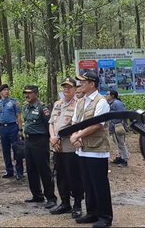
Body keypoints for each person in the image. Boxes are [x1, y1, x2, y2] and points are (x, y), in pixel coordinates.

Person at [70, 71, 113, 227]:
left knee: (99, 183)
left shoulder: (101, 102)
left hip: (96, 150)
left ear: (92, 84)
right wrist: (75, 136)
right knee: (87, 183)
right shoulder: (81, 102)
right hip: (82, 150)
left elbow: (97, 125)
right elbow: (75, 123)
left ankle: (105, 217)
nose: (80, 85)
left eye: (83, 82)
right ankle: (92, 212)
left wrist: (77, 136)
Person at [48, 78, 84, 218]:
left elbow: (76, 126)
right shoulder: (58, 104)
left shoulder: (79, 104)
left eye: (69, 87)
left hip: (70, 148)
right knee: (61, 176)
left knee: (74, 177)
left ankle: (77, 205)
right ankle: (65, 203)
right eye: (64, 87)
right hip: (57, 148)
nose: (66, 90)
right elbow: (51, 122)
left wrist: (58, 137)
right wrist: (52, 137)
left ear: (75, 89)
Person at [22, 85, 57, 209]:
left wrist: (50, 140)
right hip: (28, 141)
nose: (27, 95)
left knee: (44, 170)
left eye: (29, 93)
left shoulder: (43, 108)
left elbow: (48, 125)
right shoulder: (26, 107)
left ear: (36, 94)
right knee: (31, 169)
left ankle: (51, 197)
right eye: (25, 93)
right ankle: (37, 195)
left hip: (40, 141)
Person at [0, 84, 24, 180]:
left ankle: (19, 171)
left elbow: (19, 116)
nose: (7, 91)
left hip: (13, 127)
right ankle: (9, 170)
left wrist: (20, 129)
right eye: (4, 90)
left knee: (17, 150)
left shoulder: (14, 102)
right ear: (0, 92)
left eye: (7, 90)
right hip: (3, 128)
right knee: (5, 150)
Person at [106, 90, 129, 167]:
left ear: (112, 96)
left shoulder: (117, 103)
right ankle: (120, 157)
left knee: (121, 143)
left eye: (107, 94)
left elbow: (122, 114)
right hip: (114, 126)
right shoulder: (112, 103)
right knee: (117, 142)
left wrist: (117, 122)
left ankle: (124, 159)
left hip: (118, 126)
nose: (106, 95)